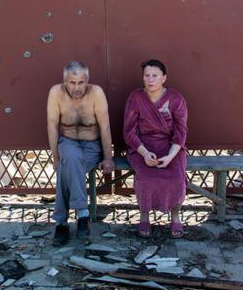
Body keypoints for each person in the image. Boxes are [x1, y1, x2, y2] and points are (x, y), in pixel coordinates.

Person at [47, 61, 115, 246]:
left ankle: (61, 223)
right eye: (72, 82)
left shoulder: (96, 93)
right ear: (65, 81)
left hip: (91, 145)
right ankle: (82, 215)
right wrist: (55, 157)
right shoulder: (56, 93)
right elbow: (52, 126)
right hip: (67, 142)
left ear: (87, 81)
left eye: (81, 82)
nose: (76, 87)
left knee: (66, 166)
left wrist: (108, 157)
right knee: (69, 157)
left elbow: (105, 126)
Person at [123, 59, 188, 238]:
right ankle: (144, 215)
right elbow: (129, 132)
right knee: (146, 178)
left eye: (155, 76)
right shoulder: (136, 98)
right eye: (147, 75)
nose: (150, 79)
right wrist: (143, 153)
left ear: (164, 78)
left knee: (176, 177)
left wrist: (170, 156)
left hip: (171, 148)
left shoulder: (176, 99)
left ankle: (175, 216)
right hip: (142, 148)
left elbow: (181, 131)